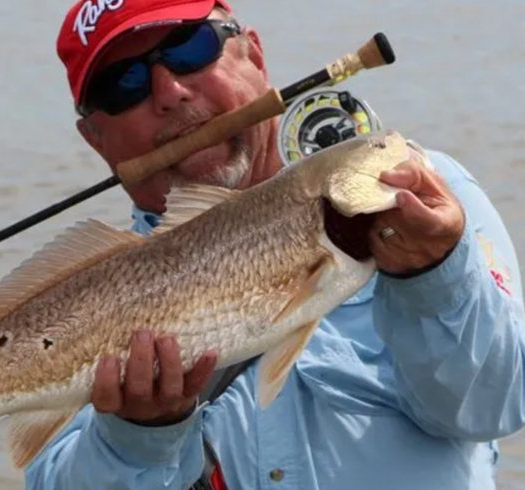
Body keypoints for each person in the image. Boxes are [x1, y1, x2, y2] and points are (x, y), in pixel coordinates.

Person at [26, 0, 525, 488]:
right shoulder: (73, 296)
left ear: (254, 55)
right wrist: (137, 439)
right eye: (123, 85)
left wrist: (433, 276)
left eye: (189, 48)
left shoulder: (423, 195)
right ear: (95, 138)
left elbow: (493, 406)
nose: (170, 91)